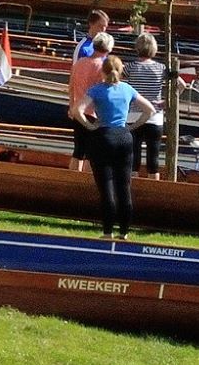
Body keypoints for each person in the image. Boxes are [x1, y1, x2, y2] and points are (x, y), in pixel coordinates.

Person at [72, 53, 157, 238]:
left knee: (106, 187)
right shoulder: (127, 89)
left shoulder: (97, 90)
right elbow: (150, 110)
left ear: (103, 71)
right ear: (120, 71)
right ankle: (125, 232)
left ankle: (108, 231)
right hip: (124, 137)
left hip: (103, 136)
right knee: (124, 187)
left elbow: (76, 110)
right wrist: (132, 127)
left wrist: (90, 126)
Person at [67, 30, 112, 171]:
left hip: (78, 110)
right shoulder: (103, 67)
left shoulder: (79, 63)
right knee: (92, 153)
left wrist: (71, 106)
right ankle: (86, 184)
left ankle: (72, 180)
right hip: (95, 113)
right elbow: (105, 92)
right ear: (108, 48)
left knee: (78, 150)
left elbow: (71, 86)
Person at [124, 32, 168, 175]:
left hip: (133, 116)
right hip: (155, 116)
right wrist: (166, 101)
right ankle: (154, 189)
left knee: (133, 158)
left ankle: (133, 191)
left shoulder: (130, 67)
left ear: (137, 48)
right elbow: (181, 84)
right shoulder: (161, 68)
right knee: (153, 159)